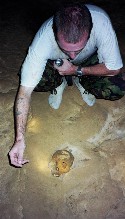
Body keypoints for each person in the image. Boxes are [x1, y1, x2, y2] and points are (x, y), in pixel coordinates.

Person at [9, 2, 125, 167]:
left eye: (77, 50)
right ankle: (59, 83)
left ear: (91, 31)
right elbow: (24, 93)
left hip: (86, 62)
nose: (71, 55)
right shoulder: (43, 39)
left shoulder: (101, 22)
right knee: (29, 78)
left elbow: (115, 68)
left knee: (117, 88)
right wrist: (19, 139)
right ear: (55, 33)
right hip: (56, 65)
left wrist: (77, 70)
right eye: (66, 49)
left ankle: (82, 81)